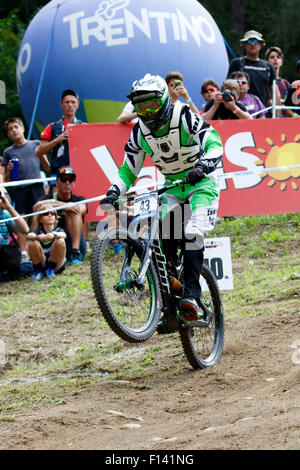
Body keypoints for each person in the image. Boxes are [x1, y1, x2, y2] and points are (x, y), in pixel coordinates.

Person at [100, 73, 223, 321]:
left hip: (202, 184)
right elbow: (128, 170)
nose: (147, 112)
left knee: (193, 232)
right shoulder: (139, 133)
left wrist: (204, 165)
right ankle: (170, 300)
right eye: (140, 107)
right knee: (159, 239)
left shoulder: (184, 115)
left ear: (165, 101)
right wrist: (114, 190)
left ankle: (192, 295)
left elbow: (214, 141)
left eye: (152, 104)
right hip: (172, 187)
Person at [1, 117, 50, 262]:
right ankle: (23, 252)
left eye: (16, 127)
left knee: (40, 215)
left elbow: (47, 167)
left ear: (23, 128)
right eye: (10, 129)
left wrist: (41, 154)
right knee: (21, 217)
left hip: (36, 186)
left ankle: (41, 246)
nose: (14, 130)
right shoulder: (8, 152)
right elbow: (6, 180)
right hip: (19, 189)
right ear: (8, 134)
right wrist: (9, 170)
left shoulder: (35, 144)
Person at [33, 166, 87, 264]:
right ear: (57, 182)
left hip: (74, 242)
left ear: (74, 183)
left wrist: (52, 203)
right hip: (53, 241)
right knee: (43, 212)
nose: (67, 183)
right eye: (63, 179)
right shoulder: (47, 197)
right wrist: (64, 205)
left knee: (74, 211)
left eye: (70, 180)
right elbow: (38, 207)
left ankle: (75, 253)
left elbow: (80, 209)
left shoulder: (79, 199)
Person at [35, 89, 83, 190]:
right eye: (67, 102)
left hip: (80, 173)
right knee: (56, 203)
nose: (70, 105)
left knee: (79, 204)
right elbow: (39, 151)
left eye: (73, 102)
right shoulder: (52, 127)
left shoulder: (84, 127)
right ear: (61, 104)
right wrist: (58, 139)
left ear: (77, 105)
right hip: (58, 175)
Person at [227, 30, 281, 113]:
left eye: (255, 41)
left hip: (263, 112)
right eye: (249, 41)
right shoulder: (237, 63)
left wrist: (277, 115)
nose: (252, 44)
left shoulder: (268, 66)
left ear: (261, 44)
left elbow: (275, 92)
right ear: (244, 44)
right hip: (240, 112)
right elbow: (227, 87)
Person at [27, 204, 66, 281]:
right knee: (31, 242)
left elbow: (63, 235)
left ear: (55, 217)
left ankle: (51, 270)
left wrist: (54, 235)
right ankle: (38, 271)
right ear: (40, 219)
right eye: (46, 213)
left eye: (52, 213)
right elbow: (29, 235)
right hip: (43, 262)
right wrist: (37, 237)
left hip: (56, 264)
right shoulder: (38, 231)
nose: (50, 215)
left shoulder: (58, 230)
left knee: (60, 240)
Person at [0, 189, 30, 281]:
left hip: (4, 258)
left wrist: (9, 208)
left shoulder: (4, 214)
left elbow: (25, 229)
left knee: (29, 266)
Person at [265, 46, 290, 117]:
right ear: (267, 62)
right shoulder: (264, 82)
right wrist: (283, 102)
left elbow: (293, 102)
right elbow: (267, 102)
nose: (275, 59)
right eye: (272, 57)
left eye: (278, 57)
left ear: (281, 62)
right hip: (267, 119)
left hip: (284, 120)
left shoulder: (286, 83)